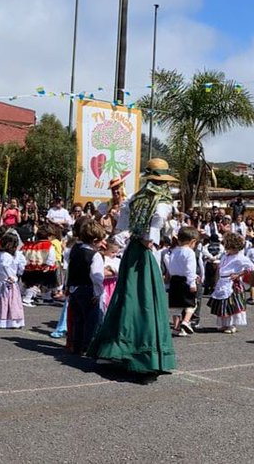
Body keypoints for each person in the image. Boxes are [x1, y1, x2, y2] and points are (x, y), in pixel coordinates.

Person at [87, 159, 179, 382]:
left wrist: (135, 237)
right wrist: (151, 238)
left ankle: (115, 349)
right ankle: (144, 356)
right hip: (144, 253)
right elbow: (156, 220)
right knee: (146, 300)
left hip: (131, 252)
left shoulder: (135, 199)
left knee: (126, 297)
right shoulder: (163, 201)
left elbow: (121, 230)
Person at [64, 219, 106, 352]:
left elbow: (69, 269)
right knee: (91, 321)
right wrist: (98, 293)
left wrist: (67, 286)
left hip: (74, 289)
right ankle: (88, 346)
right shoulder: (95, 255)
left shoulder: (75, 250)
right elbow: (97, 276)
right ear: (94, 241)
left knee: (78, 319)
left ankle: (77, 345)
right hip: (88, 290)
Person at [209, 232, 254, 334]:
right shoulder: (225, 256)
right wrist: (216, 281)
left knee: (231, 305)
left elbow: (251, 267)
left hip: (232, 283)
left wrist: (239, 274)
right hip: (222, 281)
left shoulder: (240, 257)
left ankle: (232, 325)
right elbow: (220, 268)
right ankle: (224, 324)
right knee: (223, 305)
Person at [0, 230, 25, 329]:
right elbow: (5, 265)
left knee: (1, 302)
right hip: (9, 282)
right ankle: (11, 321)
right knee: (11, 302)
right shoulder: (7, 256)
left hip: (0, 280)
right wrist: (9, 276)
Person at [168, 227, 200, 337]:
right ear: (193, 241)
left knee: (176, 306)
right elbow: (190, 269)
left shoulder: (174, 251)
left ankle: (176, 328)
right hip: (185, 281)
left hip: (174, 280)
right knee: (192, 304)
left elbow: (171, 266)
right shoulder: (189, 252)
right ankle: (186, 321)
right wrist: (192, 283)